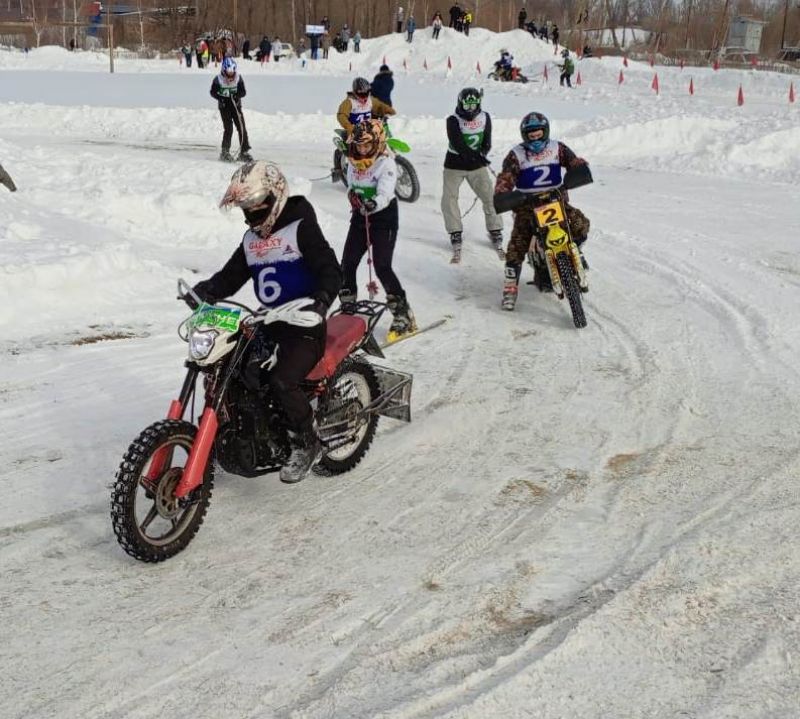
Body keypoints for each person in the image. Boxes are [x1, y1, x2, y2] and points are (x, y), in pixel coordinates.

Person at [189, 161, 342, 483]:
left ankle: (306, 442)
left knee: (281, 380)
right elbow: (231, 275)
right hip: (269, 321)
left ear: (276, 195)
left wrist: (322, 299)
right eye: (246, 206)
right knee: (231, 371)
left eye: (258, 204)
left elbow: (329, 267)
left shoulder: (300, 227)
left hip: (304, 324)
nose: (253, 212)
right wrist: (206, 291)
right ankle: (238, 433)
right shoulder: (251, 240)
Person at [494, 112, 591, 311]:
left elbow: (573, 161)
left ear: (545, 132)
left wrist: (580, 168)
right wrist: (503, 192)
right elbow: (506, 177)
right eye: (531, 135)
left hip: (556, 200)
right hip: (527, 205)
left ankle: (576, 251)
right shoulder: (516, 154)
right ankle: (510, 288)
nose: (535, 138)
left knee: (580, 223)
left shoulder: (557, 148)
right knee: (517, 244)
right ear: (525, 135)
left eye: (538, 134)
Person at [341, 120, 417, 342]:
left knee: (382, 266)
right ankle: (348, 308)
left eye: (367, 145)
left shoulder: (386, 163)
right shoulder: (353, 161)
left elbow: (384, 193)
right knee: (347, 263)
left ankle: (403, 314)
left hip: (384, 217)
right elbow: (351, 184)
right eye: (359, 145)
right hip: (360, 216)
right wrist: (352, 195)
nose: (363, 149)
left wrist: (372, 204)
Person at [442, 88, 503, 263]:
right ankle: (455, 231)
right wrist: (477, 156)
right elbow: (458, 145)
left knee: (489, 196)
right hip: (454, 165)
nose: (470, 109)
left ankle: (495, 229)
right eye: (467, 105)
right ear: (460, 104)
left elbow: (487, 141)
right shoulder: (453, 120)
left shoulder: (485, 117)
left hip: (476, 166)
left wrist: (483, 153)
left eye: (473, 105)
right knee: (449, 199)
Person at [210, 57, 252, 162]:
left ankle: (244, 152)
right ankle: (225, 152)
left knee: (241, 128)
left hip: (236, 105)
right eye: (228, 72)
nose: (230, 74)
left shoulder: (238, 78)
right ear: (224, 70)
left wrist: (237, 95)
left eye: (232, 72)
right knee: (229, 129)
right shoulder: (218, 79)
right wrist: (220, 98)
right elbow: (212, 92)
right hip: (224, 107)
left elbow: (243, 92)